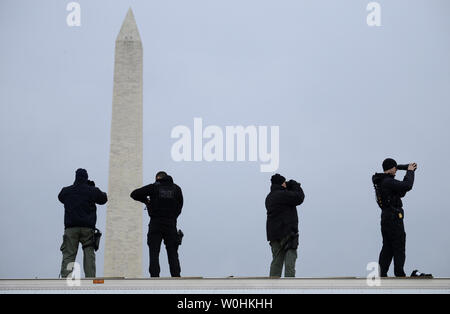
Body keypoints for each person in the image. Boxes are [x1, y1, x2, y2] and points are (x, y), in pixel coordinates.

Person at [130, 171, 183, 277]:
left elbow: (134, 194)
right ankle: (176, 276)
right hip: (170, 224)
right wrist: (172, 217)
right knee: (172, 252)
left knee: (154, 252)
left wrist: (146, 201)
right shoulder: (176, 189)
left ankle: (154, 277)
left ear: (158, 178)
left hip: (156, 223)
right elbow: (180, 206)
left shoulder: (154, 187)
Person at [58, 168, 107, 278]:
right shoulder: (91, 190)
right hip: (87, 228)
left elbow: (60, 197)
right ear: (86, 177)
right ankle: (90, 277)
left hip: (71, 228)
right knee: (89, 253)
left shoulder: (67, 191)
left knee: (69, 254)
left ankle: (67, 277)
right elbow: (104, 198)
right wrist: (92, 187)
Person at [372, 158, 417, 277]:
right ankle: (399, 274)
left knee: (388, 247)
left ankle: (382, 274)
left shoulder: (383, 182)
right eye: (395, 168)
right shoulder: (387, 181)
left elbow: (401, 191)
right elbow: (407, 185)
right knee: (398, 244)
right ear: (390, 168)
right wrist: (410, 170)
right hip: (394, 217)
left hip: (386, 218)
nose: (396, 170)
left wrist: (405, 169)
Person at [265, 173, 305, 277]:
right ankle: (289, 286)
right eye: (284, 182)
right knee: (290, 257)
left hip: (274, 235)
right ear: (281, 184)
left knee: (277, 261)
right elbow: (299, 197)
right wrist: (295, 185)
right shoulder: (283, 195)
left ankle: (272, 286)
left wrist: (288, 187)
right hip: (287, 232)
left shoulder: (269, 197)